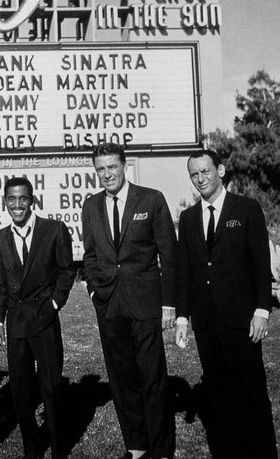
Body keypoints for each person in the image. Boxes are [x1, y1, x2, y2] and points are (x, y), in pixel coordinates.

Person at [175, 149, 277, 459]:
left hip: (242, 321)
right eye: (194, 174)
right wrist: (182, 318)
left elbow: (261, 264)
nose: (201, 178)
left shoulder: (246, 209)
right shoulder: (188, 218)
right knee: (218, 396)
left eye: (205, 171)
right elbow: (185, 271)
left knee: (250, 392)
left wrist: (262, 310)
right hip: (206, 323)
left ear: (220, 170)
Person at [82, 143, 176, 459]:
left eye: (112, 167)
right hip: (109, 304)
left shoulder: (151, 199)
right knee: (122, 378)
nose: (107, 174)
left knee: (152, 377)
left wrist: (168, 304)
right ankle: (136, 446)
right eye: (101, 169)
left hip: (146, 302)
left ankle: (161, 449)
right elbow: (90, 255)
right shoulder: (91, 206)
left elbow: (169, 254)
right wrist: (95, 292)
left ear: (124, 166)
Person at [0, 177, 76, 459]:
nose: (17, 205)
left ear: (32, 200)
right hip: (16, 324)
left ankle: (57, 444)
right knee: (21, 389)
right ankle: (32, 445)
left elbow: (67, 271)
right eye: (12, 199)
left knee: (51, 386)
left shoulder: (53, 230)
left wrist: (54, 303)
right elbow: (0, 284)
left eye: (23, 199)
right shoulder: (0, 237)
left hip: (45, 320)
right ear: (5, 201)